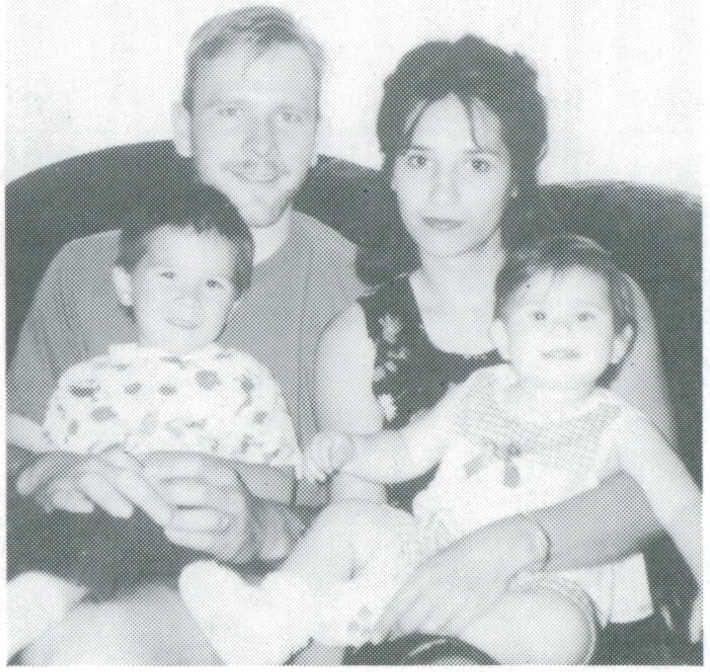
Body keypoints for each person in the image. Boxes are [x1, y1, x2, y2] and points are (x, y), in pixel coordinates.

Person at [312, 35, 686, 663]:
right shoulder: (356, 340)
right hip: (415, 618)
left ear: (516, 178)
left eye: (478, 164)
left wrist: (512, 544)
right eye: (419, 160)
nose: (443, 193)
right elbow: (356, 530)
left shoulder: (597, 303)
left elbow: (652, 494)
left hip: (571, 617)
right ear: (391, 172)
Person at [7, 6, 363, 665]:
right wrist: (48, 473)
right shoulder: (84, 268)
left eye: (288, 116)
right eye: (231, 112)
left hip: (257, 603)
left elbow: (371, 512)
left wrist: (268, 529)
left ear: (317, 136)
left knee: (92, 648)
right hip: (85, 564)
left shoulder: (358, 287)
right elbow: (15, 450)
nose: (261, 145)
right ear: (183, 126)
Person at [177, 235, 701, 665]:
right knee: (346, 521)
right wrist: (351, 450)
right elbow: (406, 453)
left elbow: (682, 506)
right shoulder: (478, 391)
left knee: (557, 631)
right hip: (431, 549)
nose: (560, 329)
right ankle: (268, 622)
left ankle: (366, 617)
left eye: (583, 317)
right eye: (538, 316)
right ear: (503, 337)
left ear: (619, 344)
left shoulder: (622, 426)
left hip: (549, 585)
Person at [6, 183, 306, 657]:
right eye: (168, 275)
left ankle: (50, 593)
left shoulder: (246, 380)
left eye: (213, 284)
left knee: (184, 550)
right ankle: (44, 592)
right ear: (126, 285)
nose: (189, 299)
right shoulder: (82, 381)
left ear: (235, 304)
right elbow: (52, 477)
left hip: (189, 534)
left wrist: (200, 475)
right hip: (94, 526)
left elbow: (282, 482)